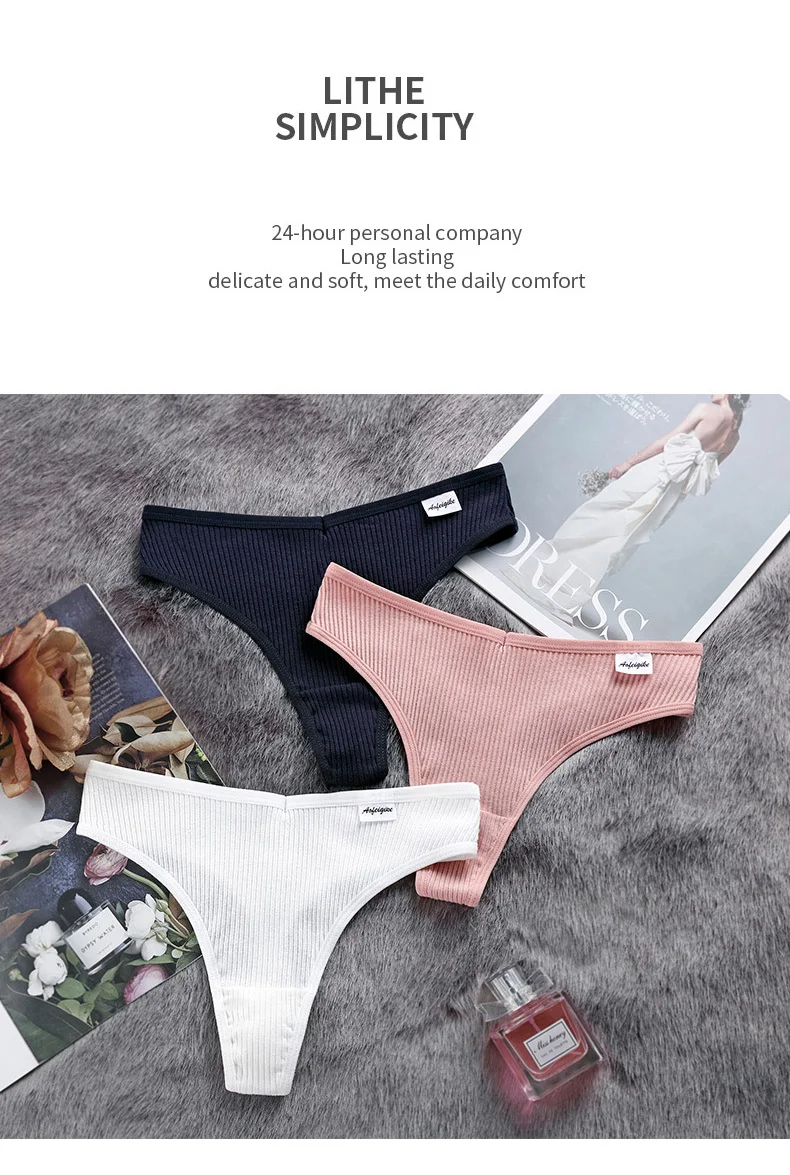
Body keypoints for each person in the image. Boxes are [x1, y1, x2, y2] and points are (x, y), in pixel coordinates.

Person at [504, 395, 750, 621]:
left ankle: (543, 574)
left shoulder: (706, 410)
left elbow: (666, 441)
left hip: (656, 472)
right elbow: (704, 474)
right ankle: (566, 596)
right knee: (618, 539)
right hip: (671, 495)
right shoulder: (734, 438)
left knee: (595, 515)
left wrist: (628, 463)